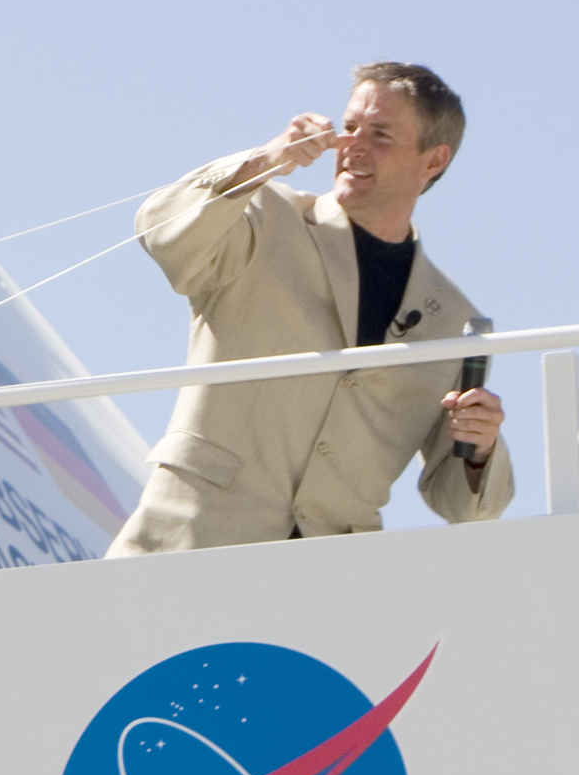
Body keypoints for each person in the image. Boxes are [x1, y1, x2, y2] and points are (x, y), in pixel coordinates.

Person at [108, 61, 511, 556]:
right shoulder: (267, 215)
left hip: (328, 590)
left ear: (433, 161)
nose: (352, 146)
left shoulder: (455, 320)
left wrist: (481, 449)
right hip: (189, 544)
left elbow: (465, 507)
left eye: (380, 134)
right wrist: (261, 162)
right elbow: (162, 232)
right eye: (349, 127)